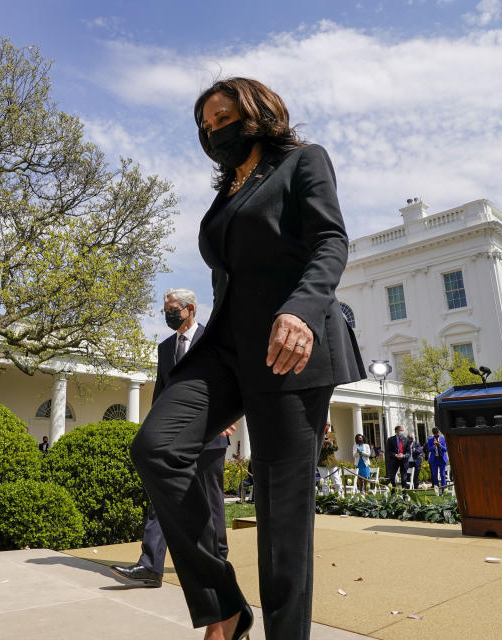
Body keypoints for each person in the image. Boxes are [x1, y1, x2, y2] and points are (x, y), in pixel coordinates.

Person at [129, 77, 365, 640]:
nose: (212, 130)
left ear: (258, 113)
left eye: (222, 117)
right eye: (204, 124)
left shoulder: (303, 161)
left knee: (282, 524)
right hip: (228, 349)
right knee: (156, 448)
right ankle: (224, 605)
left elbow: (330, 240)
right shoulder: (227, 192)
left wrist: (303, 310)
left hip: (291, 349)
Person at [111, 289, 233, 589]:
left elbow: (232, 382)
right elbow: (162, 393)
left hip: (210, 435)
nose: (168, 314)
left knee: (211, 500)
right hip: (175, 437)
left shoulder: (213, 340)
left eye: (172, 309)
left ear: (190, 309)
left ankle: (217, 561)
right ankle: (151, 565)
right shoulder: (165, 348)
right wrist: (154, 430)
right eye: (166, 309)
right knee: (159, 496)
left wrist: (227, 418)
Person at [317, 423, 341, 496]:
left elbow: (336, 448)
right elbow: (316, 449)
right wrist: (322, 443)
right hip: (321, 462)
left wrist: (330, 443)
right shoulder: (317, 435)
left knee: (336, 481)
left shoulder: (332, 435)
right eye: (325, 425)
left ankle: (340, 497)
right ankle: (326, 499)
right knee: (324, 482)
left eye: (328, 425)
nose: (326, 427)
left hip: (332, 462)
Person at [384, 425, 410, 490]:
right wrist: (396, 455)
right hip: (394, 461)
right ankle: (393, 493)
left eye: (402, 430)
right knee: (392, 477)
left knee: (404, 479)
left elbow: (408, 452)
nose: (401, 432)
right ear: (396, 431)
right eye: (400, 430)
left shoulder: (406, 440)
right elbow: (388, 451)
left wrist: (403, 455)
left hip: (403, 461)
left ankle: (404, 494)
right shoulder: (390, 440)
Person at [427, 427, 449, 493]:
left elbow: (445, 449)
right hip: (434, 459)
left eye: (437, 433)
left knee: (442, 475)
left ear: (439, 432)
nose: (436, 434)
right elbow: (429, 449)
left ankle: (443, 490)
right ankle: (437, 491)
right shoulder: (430, 439)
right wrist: (434, 445)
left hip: (441, 459)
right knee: (434, 475)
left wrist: (439, 445)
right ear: (433, 433)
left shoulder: (443, 438)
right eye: (435, 434)